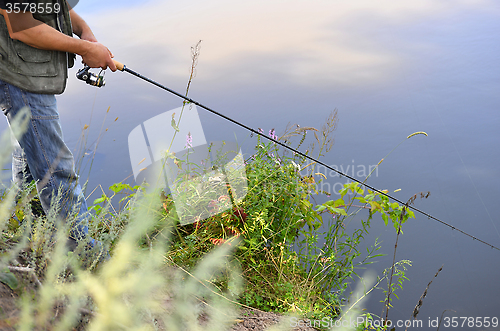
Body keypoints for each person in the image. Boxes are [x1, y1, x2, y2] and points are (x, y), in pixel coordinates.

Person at [0, 0, 116, 247]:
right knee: (57, 168)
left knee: (30, 157)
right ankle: (82, 252)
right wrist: (84, 49)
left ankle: (30, 231)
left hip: (30, 72)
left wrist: (85, 30)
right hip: (18, 75)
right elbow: (20, 26)